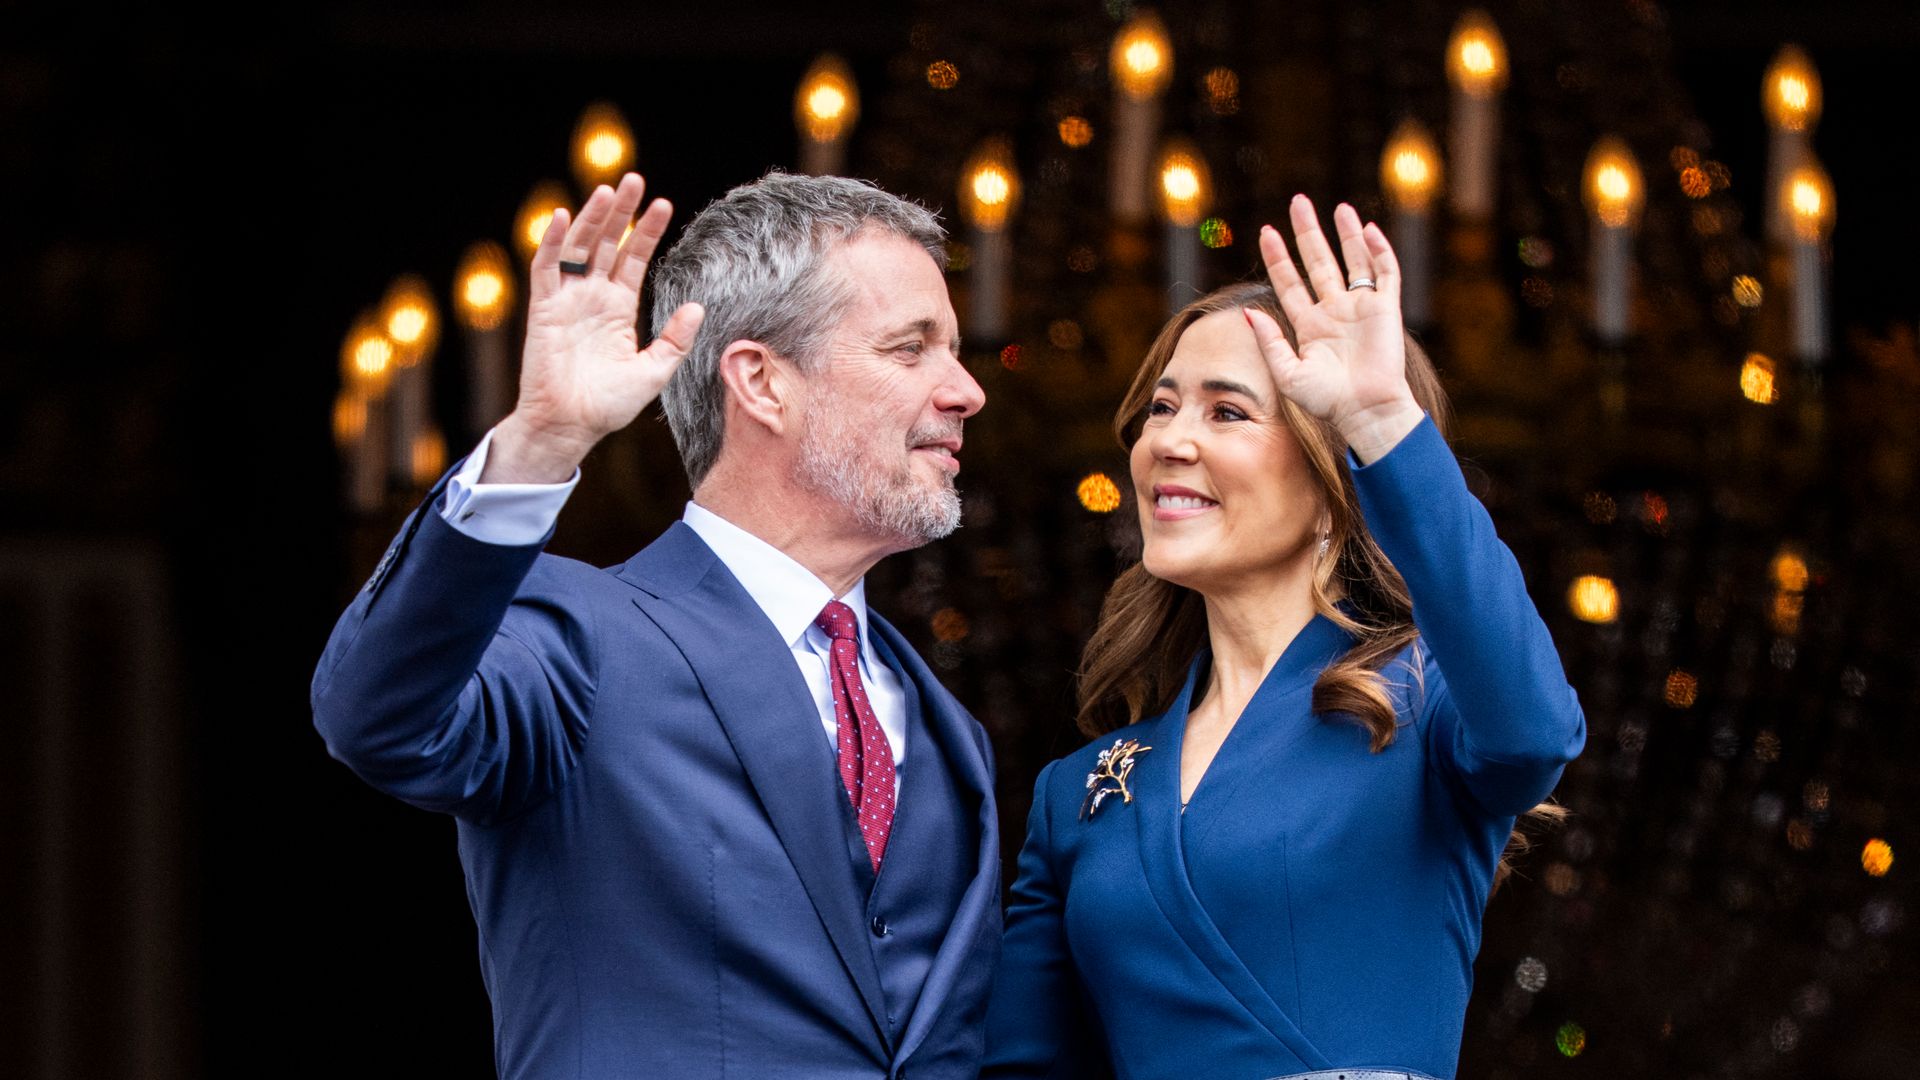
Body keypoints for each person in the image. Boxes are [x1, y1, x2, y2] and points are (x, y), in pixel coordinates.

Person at [311, 171, 1002, 1079]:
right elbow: (377, 715)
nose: (967, 391)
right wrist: (542, 442)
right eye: (911, 349)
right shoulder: (579, 640)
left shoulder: (943, 725)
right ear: (762, 382)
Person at [982, 196, 1586, 1080]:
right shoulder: (1074, 793)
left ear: (1330, 486)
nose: (1171, 441)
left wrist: (1381, 421)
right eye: (1161, 407)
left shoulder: (1421, 709)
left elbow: (1536, 731)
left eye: (1227, 413)